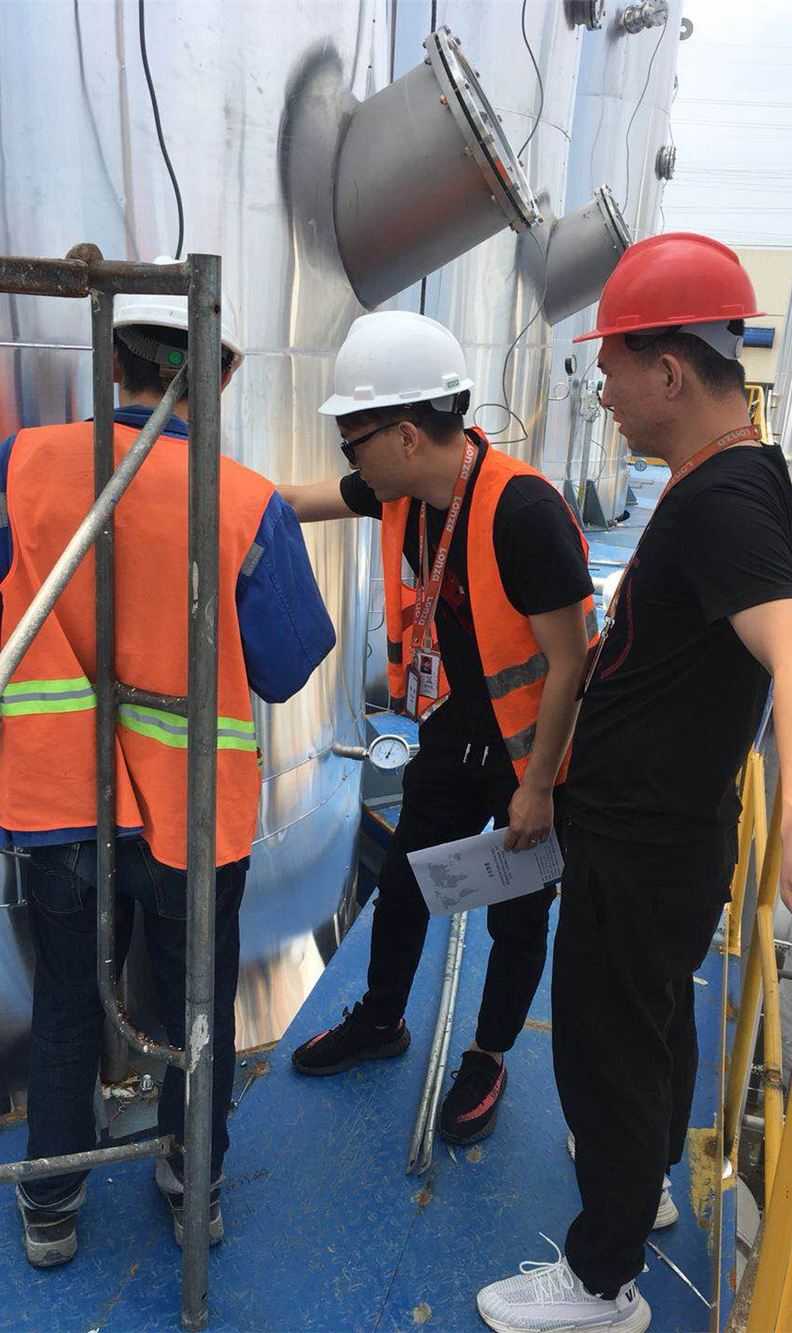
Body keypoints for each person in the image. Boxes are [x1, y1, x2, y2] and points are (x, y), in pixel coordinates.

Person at [476, 233, 792, 1333]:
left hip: (642, 842)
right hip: (672, 832)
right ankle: (642, 1178)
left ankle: (601, 1284)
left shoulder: (717, 505)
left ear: (667, 370)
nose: (601, 393)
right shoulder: (749, 473)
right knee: (651, 1026)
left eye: (610, 368)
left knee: (606, 1047)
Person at [0, 260, 335, 1268]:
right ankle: (192, 1187)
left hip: (59, 806)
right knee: (196, 1011)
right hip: (195, 815)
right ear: (217, 377)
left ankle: (51, 1207)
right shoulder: (242, 498)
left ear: (112, 363)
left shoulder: (20, 465)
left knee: (66, 1003)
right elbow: (286, 665)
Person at [278, 311, 595, 1144]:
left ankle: (487, 1056)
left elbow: (571, 662)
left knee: (517, 912)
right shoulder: (403, 493)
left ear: (407, 435)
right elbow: (293, 501)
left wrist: (537, 789)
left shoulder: (523, 511)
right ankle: (383, 1019)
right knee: (405, 882)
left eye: (352, 441)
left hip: (534, 752)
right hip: (458, 730)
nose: (348, 459)